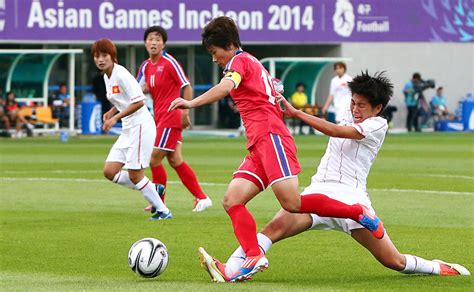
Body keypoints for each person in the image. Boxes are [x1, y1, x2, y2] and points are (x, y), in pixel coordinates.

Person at [198, 71, 471, 282]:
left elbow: (336, 132)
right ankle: (230, 269)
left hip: (350, 197)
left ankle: (438, 268)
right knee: (272, 230)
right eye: (353, 102)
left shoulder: (377, 124)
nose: (355, 109)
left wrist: (295, 113)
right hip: (318, 193)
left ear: (377, 108)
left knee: (393, 262)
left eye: (361, 105)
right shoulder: (348, 113)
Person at [169, 16, 385, 282]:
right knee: (232, 200)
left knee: (293, 203)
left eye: (214, 53)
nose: (214, 59)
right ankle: (253, 256)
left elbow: (227, 87)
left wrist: (191, 104)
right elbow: (273, 86)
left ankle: (357, 212)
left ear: (229, 44)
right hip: (259, 144)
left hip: (271, 137)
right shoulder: (251, 63)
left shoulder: (238, 62)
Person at [91, 38, 171, 220]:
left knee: (136, 174)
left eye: (104, 55)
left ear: (112, 56)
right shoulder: (107, 76)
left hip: (141, 126)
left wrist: (115, 118)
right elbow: (122, 99)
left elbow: (139, 101)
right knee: (109, 171)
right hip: (128, 128)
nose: (100, 59)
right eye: (96, 56)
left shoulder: (121, 74)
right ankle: (152, 188)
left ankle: (163, 211)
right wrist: (111, 111)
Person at [137, 26, 212, 213]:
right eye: (150, 39)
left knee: (154, 159)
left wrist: (185, 113)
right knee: (175, 160)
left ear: (163, 43)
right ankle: (202, 198)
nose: (154, 42)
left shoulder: (169, 62)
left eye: (158, 39)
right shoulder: (145, 66)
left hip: (171, 117)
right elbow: (136, 89)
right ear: (145, 42)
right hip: (159, 118)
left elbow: (186, 86)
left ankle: (158, 202)